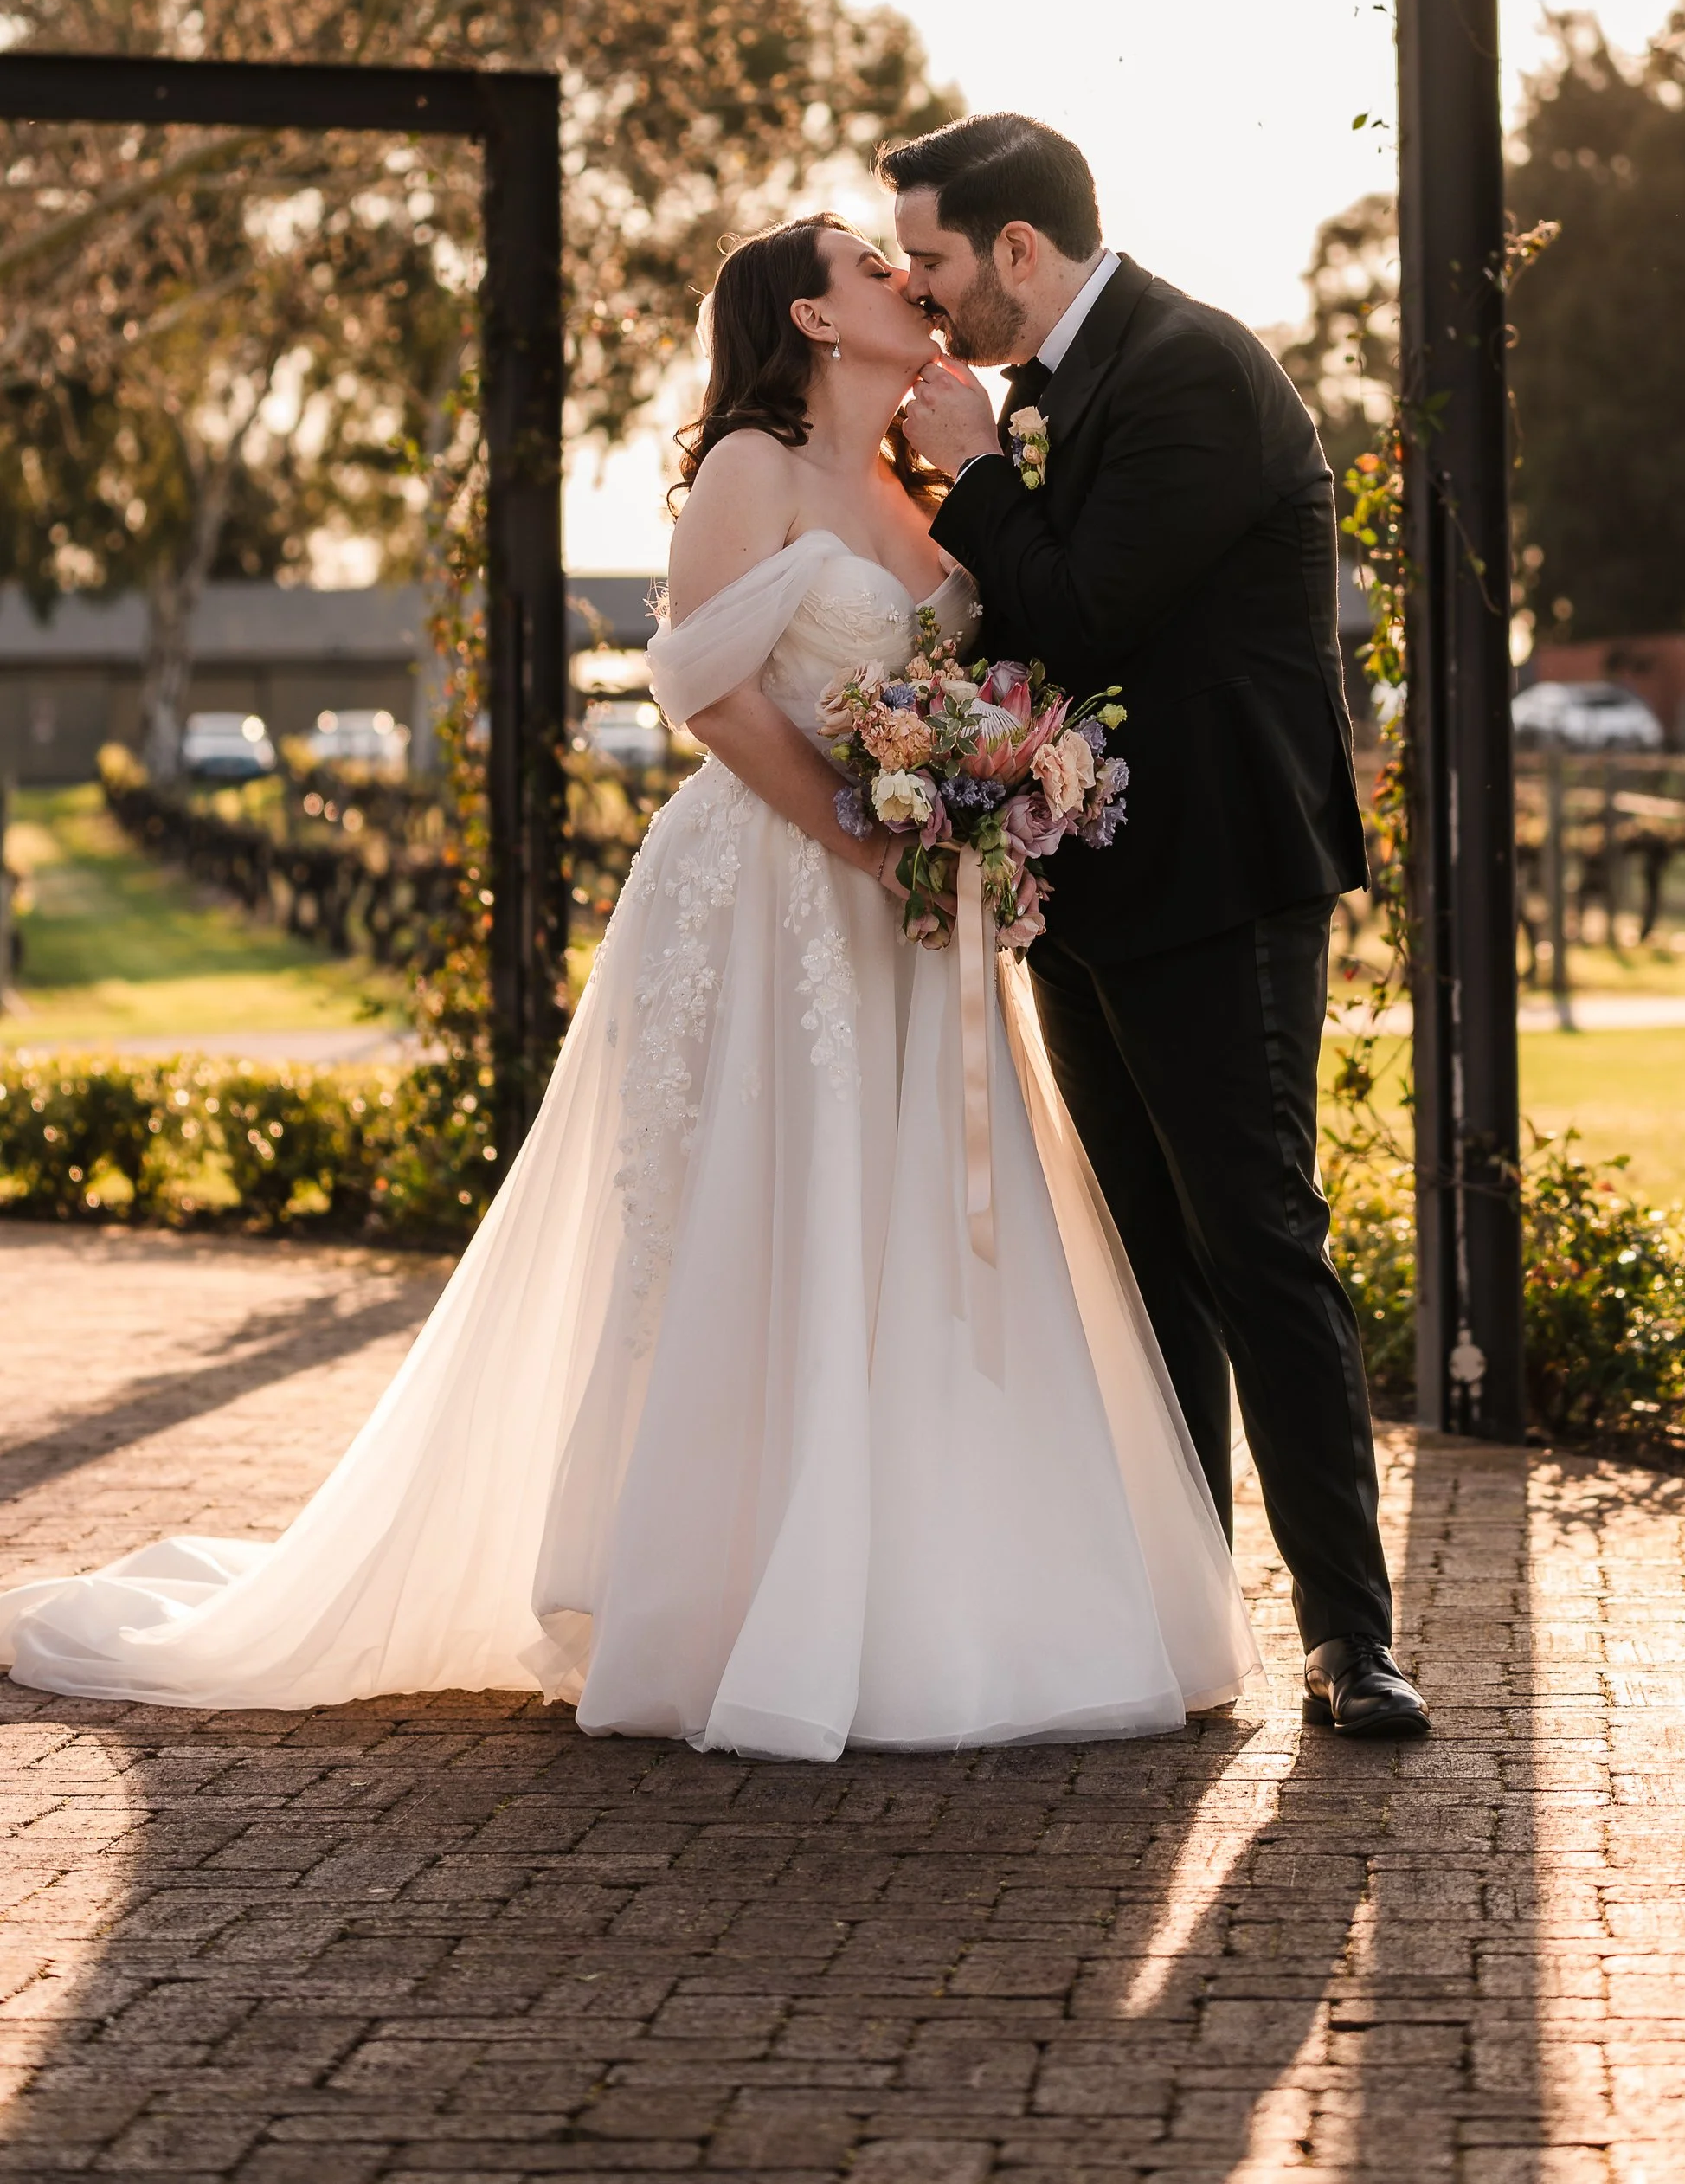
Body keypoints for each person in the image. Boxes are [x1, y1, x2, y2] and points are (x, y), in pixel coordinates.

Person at [0, 215, 1257, 1759]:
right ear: (809, 312)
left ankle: (950, 1598)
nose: (908, 283)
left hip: (919, 908)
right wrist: (879, 841)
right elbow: (707, 694)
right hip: (781, 890)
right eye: (876, 265)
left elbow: (992, 672)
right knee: (765, 1217)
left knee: (920, 1226)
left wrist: (987, 794)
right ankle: (732, 1598)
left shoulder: (927, 489)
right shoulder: (751, 464)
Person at [890, 113, 1429, 1741]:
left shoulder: (1189, 365)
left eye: (932, 258)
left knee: (1256, 1235)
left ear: (1019, 252)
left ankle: (1353, 1637)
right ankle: (1187, 1618)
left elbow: (1084, 605)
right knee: (1145, 1256)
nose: (922, 290)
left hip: (1219, 873)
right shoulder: (1051, 384)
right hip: (1090, 883)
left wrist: (979, 469)